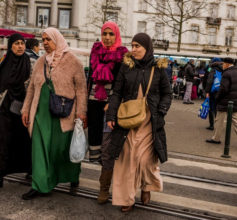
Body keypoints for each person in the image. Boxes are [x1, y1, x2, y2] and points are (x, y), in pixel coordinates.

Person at [106, 33, 172, 212]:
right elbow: (117, 93)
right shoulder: (126, 67)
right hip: (127, 122)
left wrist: (161, 110)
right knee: (126, 161)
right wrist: (111, 115)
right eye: (132, 45)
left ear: (147, 47)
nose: (133, 49)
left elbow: (167, 93)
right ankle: (127, 198)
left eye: (137, 46)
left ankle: (146, 186)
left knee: (145, 161)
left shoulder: (158, 69)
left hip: (150, 122)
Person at [20, 27, 87, 200]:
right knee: (39, 148)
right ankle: (40, 184)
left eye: (48, 39)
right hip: (40, 112)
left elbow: (81, 90)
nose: (45, 43)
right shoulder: (41, 61)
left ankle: (72, 176)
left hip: (64, 113)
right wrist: (26, 110)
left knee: (61, 149)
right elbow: (32, 88)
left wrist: (81, 113)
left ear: (57, 39)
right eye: (43, 40)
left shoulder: (74, 61)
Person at [86, 21, 128, 204]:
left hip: (111, 109)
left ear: (116, 35)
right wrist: (84, 108)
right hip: (94, 105)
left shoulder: (123, 55)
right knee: (97, 146)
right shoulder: (95, 51)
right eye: (105, 34)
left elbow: (124, 85)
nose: (108, 38)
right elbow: (89, 80)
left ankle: (104, 189)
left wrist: (112, 103)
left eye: (111, 34)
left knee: (108, 148)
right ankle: (107, 183)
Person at [0, 34, 32, 189]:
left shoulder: (30, 63)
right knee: (2, 141)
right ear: (11, 46)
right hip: (4, 110)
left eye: (22, 43)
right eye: (17, 43)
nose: (20, 46)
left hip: (23, 111)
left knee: (25, 141)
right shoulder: (5, 63)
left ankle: (30, 170)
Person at [206, 58, 237, 148]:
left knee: (219, 121)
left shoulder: (226, 73)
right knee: (236, 120)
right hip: (235, 101)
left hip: (225, 101)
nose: (222, 65)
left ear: (226, 64)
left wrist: (217, 97)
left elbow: (223, 88)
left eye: (223, 64)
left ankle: (216, 139)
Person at [205, 57, 223, 130]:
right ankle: (218, 124)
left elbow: (210, 81)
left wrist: (207, 92)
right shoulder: (223, 69)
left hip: (213, 92)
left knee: (212, 108)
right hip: (221, 91)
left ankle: (212, 125)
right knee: (218, 108)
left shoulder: (213, 70)